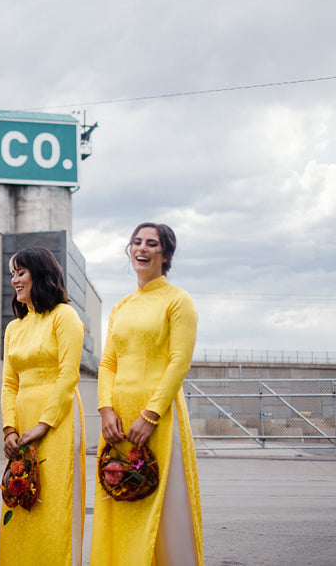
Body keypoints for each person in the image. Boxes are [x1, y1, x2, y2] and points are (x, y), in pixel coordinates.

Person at [90, 223, 203, 566]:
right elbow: (108, 361)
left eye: (151, 243)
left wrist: (151, 414)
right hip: (119, 418)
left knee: (164, 502)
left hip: (159, 416)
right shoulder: (121, 306)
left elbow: (178, 363)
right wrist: (106, 408)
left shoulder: (178, 301)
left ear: (165, 255)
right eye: (136, 242)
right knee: (120, 496)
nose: (142, 248)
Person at [0, 247, 86, 565]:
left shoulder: (65, 317)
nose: (15, 280)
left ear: (41, 274)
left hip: (58, 421)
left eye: (20, 272)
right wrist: (9, 427)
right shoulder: (14, 328)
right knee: (20, 499)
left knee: (53, 504)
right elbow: (9, 383)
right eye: (13, 273)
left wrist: (44, 423)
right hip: (22, 421)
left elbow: (69, 374)